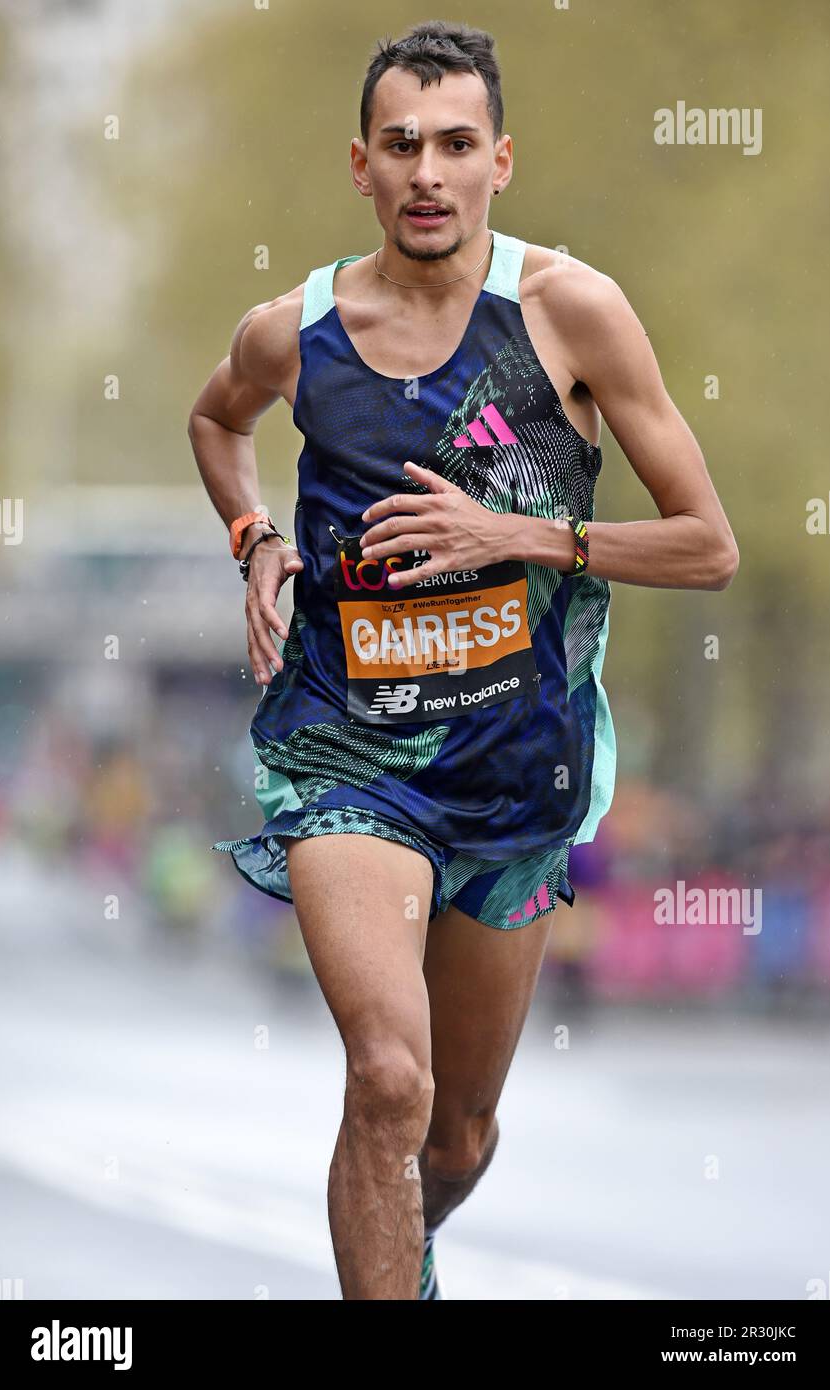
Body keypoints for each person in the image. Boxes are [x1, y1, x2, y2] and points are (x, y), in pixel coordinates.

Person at [187, 20, 739, 1301]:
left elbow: (706, 546)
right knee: (388, 1076)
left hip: (512, 765)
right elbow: (218, 417)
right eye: (399, 146)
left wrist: (516, 534)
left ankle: (405, 1245)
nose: (425, 172)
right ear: (360, 168)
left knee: (456, 1133)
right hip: (345, 751)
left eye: (452, 144)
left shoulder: (570, 313)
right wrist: (254, 534)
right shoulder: (298, 330)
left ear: (501, 161)